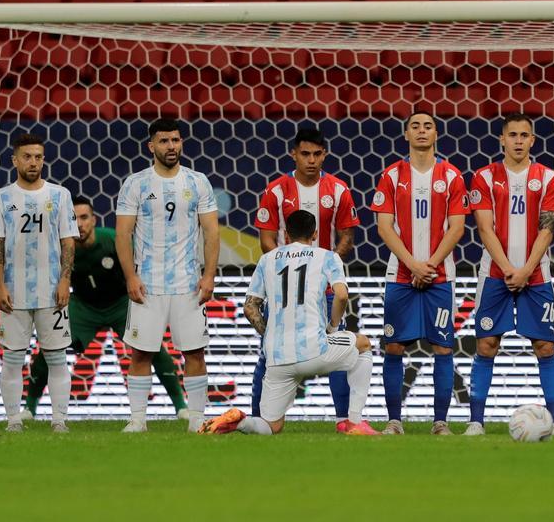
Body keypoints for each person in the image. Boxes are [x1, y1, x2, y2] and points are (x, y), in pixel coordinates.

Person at [201, 211, 377, 436]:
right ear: (314, 234)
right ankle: (353, 422)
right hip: (315, 349)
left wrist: (268, 335)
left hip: (277, 357)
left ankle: (241, 421)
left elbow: (249, 307)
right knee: (363, 345)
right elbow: (341, 295)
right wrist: (333, 327)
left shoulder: (267, 259)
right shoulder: (327, 256)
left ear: (285, 234)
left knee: (270, 426)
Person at [23, 196, 190, 420]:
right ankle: (29, 409)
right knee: (50, 348)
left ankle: (181, 407)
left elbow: (140, 268)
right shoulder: (62, 248)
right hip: (83, 306)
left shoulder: (112, 240)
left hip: (121, 304)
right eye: (73, 218)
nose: (79, 224)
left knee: (151, 348)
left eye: (84, 218)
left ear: (93, 220)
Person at [252, 127, 360, 432]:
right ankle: (258, 417)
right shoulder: (276, 190)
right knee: (268, 352)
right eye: (305, 154)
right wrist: (281, 276)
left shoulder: (338, 190)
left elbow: (346, 236)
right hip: (285, 292)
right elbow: (266, 240)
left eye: (317, 154)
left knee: (338, 352)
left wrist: (325, 271)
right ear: (293, 155)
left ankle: (343, 420)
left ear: (324, 154)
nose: (311, 160)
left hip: (325, 291)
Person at [115, 119, 219, 433]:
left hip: (188, 283)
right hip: (148, 284)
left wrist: (209, 276)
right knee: (141, 351)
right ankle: (137, 420)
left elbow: (211, 232)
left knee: (194, 351)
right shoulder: (136, 183)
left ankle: (197, 420)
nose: (171, 146)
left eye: (175, 140)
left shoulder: (198, 181)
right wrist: (130, 276)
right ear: (151, 146)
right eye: (163, 141)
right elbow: (123, 233)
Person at [464, 113, 554, 436]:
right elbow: (484, 228)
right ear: (502, 140)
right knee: (486, 344)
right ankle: (476, 422)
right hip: (495, 274)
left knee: (545, 347)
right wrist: (509, 269)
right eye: (513, 135)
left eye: (525, 135)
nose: (519, 141)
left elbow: (547, 231)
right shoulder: (483, 176)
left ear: (533, 140)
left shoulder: (549, 178)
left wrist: (525, 270)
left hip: (536, 275)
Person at [370, 110, 469, 435]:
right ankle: (394, 421)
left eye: (428, 126)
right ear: (407, 134)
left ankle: (440, 422)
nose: (422, 131)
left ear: (436, 134)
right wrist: (413, 264)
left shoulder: (452, 175)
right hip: (400, 275)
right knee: (395, 346)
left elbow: (457, 228)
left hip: (441, 277)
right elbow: (384, 227)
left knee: (442, 346)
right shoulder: (391, 175)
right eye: (416, 126)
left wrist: (430, 266)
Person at [0, 133, 77, 432]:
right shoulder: (0, 198)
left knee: (56, 358)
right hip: (15, 292)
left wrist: (65, 281)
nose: (33, 162)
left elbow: (68, 242)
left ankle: (59, 420)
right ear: (15, 160)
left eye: (38, 156)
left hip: (52, 290)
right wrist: (0, 286)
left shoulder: (60, 195)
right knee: (12, 358)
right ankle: (13, 420)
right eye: (27, 156)